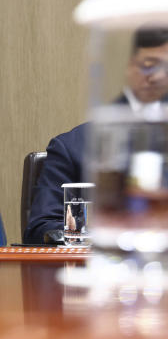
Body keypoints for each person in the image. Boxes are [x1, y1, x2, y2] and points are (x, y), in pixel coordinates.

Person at [25, 27, 168, 244]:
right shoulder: (73, 147)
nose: (158, 76)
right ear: (131, 67)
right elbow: (41, 227)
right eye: (149, 65)